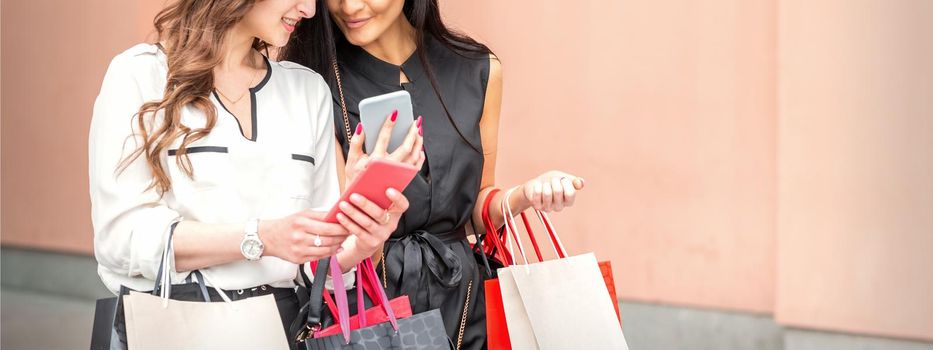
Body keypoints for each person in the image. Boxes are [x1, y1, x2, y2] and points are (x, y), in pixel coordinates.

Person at [89, 0, 417, 347]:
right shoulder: (140, 74)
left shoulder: (306, 90)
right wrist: (260, 238)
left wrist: (361, 242)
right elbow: (119, 238)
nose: (308, 10)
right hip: (173, 327)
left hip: (285, 329)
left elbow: (318, 267)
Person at [283, 0, 586, 348]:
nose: (349, 6)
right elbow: (328, 234)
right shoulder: (314, 83)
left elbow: (474, 212)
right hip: (370, 311)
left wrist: (525, 195)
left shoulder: (477, 69)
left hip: (467, 304)